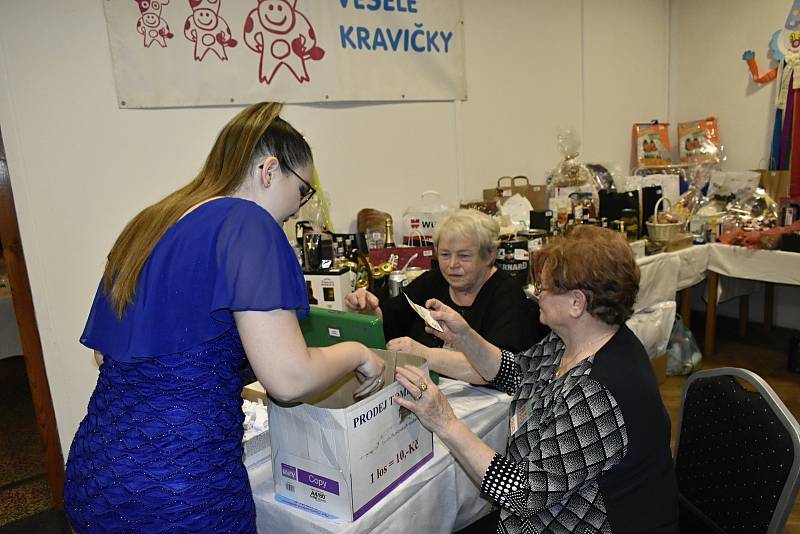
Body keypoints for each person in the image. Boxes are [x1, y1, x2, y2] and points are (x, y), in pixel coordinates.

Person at [63, 102, 385, 533]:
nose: (298, 207)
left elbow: (110, 357)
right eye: (303, 190)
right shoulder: (247, 224)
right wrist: (357, 353)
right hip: (180, 488)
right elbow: (289, 380)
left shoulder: (151, 222)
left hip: (95, 470)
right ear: (269, 171)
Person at [394, 225, 679, 533]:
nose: (535, 293)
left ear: (577, 303)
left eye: (543, 288)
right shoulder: (574, 339)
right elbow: (515, 373)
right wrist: (464, 336)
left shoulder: (600, 391)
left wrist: (444, 421)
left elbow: (523, 494)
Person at [345, 208, 545, 381]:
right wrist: (370, 311)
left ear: (489, 256)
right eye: (445, 254)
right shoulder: (432, 282)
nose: (452, 265)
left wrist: (423, 355)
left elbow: (501, 368)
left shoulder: (506, 295)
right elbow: (390, 320)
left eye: (464, 256)